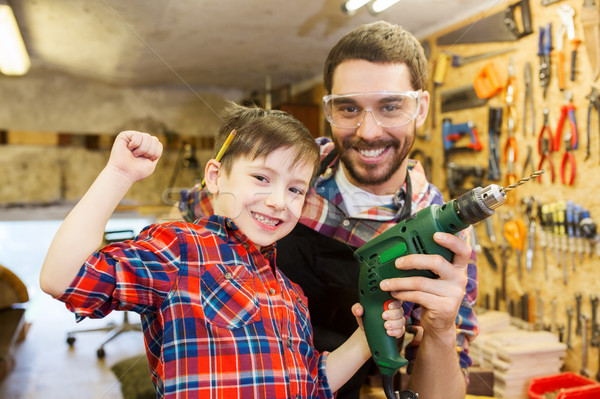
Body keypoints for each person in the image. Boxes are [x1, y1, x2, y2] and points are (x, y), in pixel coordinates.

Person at [180, 22, 478, 399]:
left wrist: (441, 328)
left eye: (390, 106)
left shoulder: (441, 234)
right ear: (329, 109)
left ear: (420, 109)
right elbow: (190, 212)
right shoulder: (281, 174)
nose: (368, 131)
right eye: (349, 107)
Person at [39, 104, 407, 399]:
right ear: (215, 178)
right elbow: (62, 278)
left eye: (295, 190)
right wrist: (118, 174)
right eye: (261, 178)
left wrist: (364, 339)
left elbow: (313, 384)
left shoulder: (290, 293)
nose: (279, 201)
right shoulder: (181, 249)